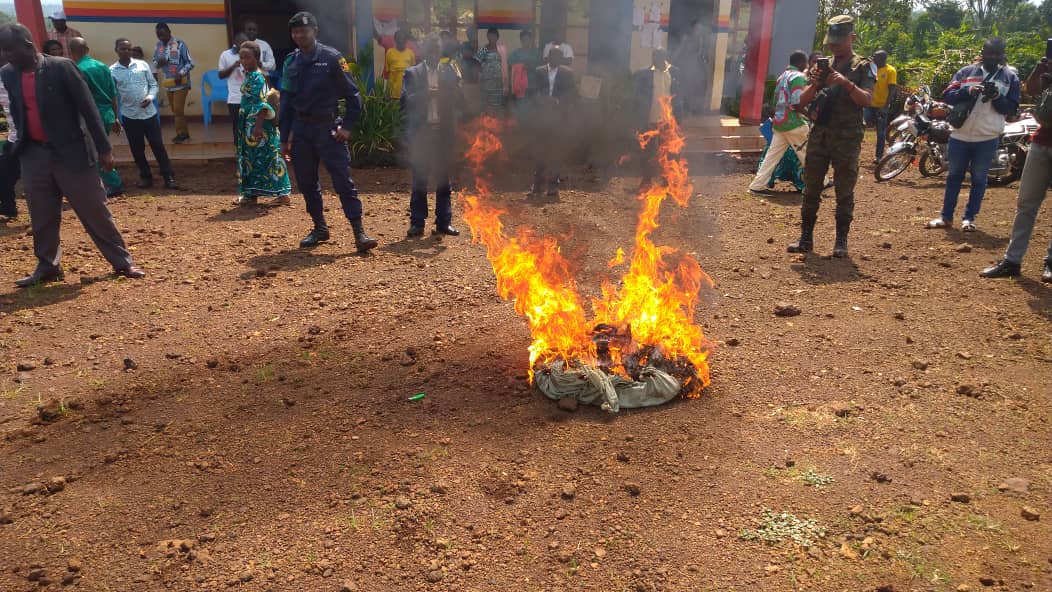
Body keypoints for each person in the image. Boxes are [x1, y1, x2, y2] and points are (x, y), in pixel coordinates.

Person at [0, 23, 144, 286]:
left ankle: (122, 262)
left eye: (9, 50)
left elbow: (88, 109)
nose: (6, 55)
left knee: (95, 212)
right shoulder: (8, 74)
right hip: (33, 154)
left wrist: (104, 149)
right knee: (41, 215)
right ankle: (48, 266)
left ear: (28, 46)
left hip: (72, 153)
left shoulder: (61, 68)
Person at [280, 11, 378, 252]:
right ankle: (319, 228)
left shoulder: (332, 58)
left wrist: (347, 126)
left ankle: (359, 232)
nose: (299, 35)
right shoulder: (291, 62)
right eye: (295, 32)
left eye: (304, 30)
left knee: (343, 181)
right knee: (306, 182)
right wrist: (284, 139)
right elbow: (286, 102)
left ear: (315, 31)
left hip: (328, 129)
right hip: (302, 130)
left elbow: (353, 95)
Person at [787, 15, 874, 258]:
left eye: (839, 40)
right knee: (811, 187)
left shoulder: (863, 66)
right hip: (820, 135)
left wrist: (846, 83)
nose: (834, 46)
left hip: (847, 138)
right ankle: (806, 239)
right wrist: (815, 84)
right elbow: (798, 103)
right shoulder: (821, 67)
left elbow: (868, 99)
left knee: (844, 190)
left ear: (852, 38)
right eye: (831, 41)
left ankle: (841, 242)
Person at [926, 38, 1020, 232]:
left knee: (979, 179)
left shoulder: (1010, 77)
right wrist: (968, 90)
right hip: (960, 134)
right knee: (954, 176)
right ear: (982, 52)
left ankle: (969, 219)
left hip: (987, 137)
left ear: (1002, 54)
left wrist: (996, 97)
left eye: (997, 53)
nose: (992, 57)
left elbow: (1011, 109)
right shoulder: (966, 72)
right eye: (989, 53)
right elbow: (947, 95)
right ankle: (946, 217)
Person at [980, 57, 1052, 283]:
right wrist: (1042, 68)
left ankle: (1051, 262)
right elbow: (1030, 90)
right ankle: (1012, 261)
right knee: (1025, 203)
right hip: (1041, 141)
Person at [401, 38, 462, 238]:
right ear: (424, 52)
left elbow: (459, 99)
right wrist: (426, 94)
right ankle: (417, 223)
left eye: (437, 50)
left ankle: (444, 222)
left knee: (444, 179)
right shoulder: (413, 73)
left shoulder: (450, 71)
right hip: (422, 134)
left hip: (442, 133)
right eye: (430, 50)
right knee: (420, 178)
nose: (434, 54)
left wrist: (448, 92)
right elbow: (405, 101)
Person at [112, 38, 178, 190]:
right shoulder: (112, 71)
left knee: (158, 146)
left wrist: (150, 97)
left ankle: (168, 176)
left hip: (149, 114)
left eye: (129, 49)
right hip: (130, 116)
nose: (126, 51)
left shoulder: (142, 65)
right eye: (123, 49)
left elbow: (153, 85)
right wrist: (116, 117)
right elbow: (113, 95)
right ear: (116, 50)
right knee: (137, 149)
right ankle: (146, 176)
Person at [236, 40, 290, 207]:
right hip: (249, 122)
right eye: (241, 58)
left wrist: (258, 126)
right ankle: (251, 193)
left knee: (267, 158)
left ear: (256, 58)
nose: (244, 61)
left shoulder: (257, 77)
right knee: (253, 158)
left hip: (258, 124)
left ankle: (282, 194)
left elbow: (261, 103)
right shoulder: (251, 75)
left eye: (247, 58)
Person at [69, 37, 124, 198]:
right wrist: (115, 117)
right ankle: (108, 182)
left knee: (96, 151)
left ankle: (114, 183)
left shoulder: (76, 69)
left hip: (91, 116)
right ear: (87, 49)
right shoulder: (102, 66)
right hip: (107, 113)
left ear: (71, 51)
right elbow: (113, 94)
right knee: (102, 148)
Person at [749, 50, 809, 195]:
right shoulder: (799, 77)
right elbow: (797, 102)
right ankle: (821, 183)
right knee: (808, 154)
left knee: (772, 156)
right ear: (802, 63)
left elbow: (776, 100)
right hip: (793, 123)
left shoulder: (782, 76)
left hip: (780, 123)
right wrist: (810, 115)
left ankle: (757, 185)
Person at [528, 45, 577, 198]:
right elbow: (533, 90)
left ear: (561, 59)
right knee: (540, 152)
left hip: (559, 117)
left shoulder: (568, 73)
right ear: (548, 57)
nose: (555, 58)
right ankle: (537, 186)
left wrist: (557, 101)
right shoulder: (539, 71)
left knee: (556, 153)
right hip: (541, 117)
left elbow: (572, 94)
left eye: (558, 56)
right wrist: (542, 100)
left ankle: (553, 187)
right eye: (553, 55)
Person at [634, 48, 682, 185]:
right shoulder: (645, 74)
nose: (656, 60)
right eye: (654, 57)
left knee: (667, 151)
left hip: (668, 121)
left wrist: (679, 119)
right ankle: (646, 179)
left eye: (659, 57)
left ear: (665, 57)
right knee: (648, 151)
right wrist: (638, 118)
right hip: (650, 120)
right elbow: (638, 99)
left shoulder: (675, 73)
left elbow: (679, 98)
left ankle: (666, 180)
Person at [153, 22, 194, 143]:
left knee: (177, 110)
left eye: (163, 35)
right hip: (168, 83)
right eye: (159, 36)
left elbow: (191, 63)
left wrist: (180, 73)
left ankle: (181, 135)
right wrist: (159, 63)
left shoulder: (180, 44)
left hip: (181, 82)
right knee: (175, 111)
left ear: (169, 32)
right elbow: (155, 63)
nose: (162, 38)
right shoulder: (158, 46)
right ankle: (185, 133)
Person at [864, 50, 897, 161]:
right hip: (868, 104)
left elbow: (892, 90)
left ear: (883, 59)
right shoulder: (871, 68)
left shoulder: (890, 71)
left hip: (881, 106)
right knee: (860, 125)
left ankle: (878, 157)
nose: (873, 59)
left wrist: (885, 106)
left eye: (876, 57)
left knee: (880, 132)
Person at [219, 33, 249, 143]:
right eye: (242, 43)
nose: (245, 46)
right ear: (235, 43)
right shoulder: (225, 55)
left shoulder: (250, 54)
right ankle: (239, 152)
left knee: (250, 127)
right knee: (237, 128)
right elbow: (221, 75)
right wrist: (233, 66)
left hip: (250, 98)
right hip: (235, 99)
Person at [0, 55, 19, 218]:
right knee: (4, 173)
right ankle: (8, 206)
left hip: (31, 139)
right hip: (14, 137)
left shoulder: (20, 73)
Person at [508, 29, 541, 115]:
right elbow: (510, 65)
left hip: (534, 85)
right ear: (521, 41)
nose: (525, 42)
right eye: (523, 40)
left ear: (531, 40)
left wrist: (532, 67)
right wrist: (521, 67)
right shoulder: (516, 53)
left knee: (533, 110)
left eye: (527, 39)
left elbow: (541, 67)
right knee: (522, 109)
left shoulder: (536, 52)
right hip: (520, 87)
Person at [476, 28, 507, 116]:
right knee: (486, 106)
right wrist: (479, 81)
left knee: (497, 106)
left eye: (494, 36)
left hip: (498, 83)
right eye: (490, 36)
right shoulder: (484, 49)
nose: (491, 38)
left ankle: (496, 126)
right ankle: (486, 126)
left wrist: (505, 84)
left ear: (497, 37)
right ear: (487, 37)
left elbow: (504, 66)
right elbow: (477, 65)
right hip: (485, 83)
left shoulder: (501, 49)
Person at [384, 30, 416, 99]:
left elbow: (413, 74)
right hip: (393, 93)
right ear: (395, 41)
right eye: (399, 41)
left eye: (403, 40)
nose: (401, 42)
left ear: (406, 41)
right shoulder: (389, 52)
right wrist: (387, 92)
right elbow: (388, 73)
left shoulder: (411, 53)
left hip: (406, 93)